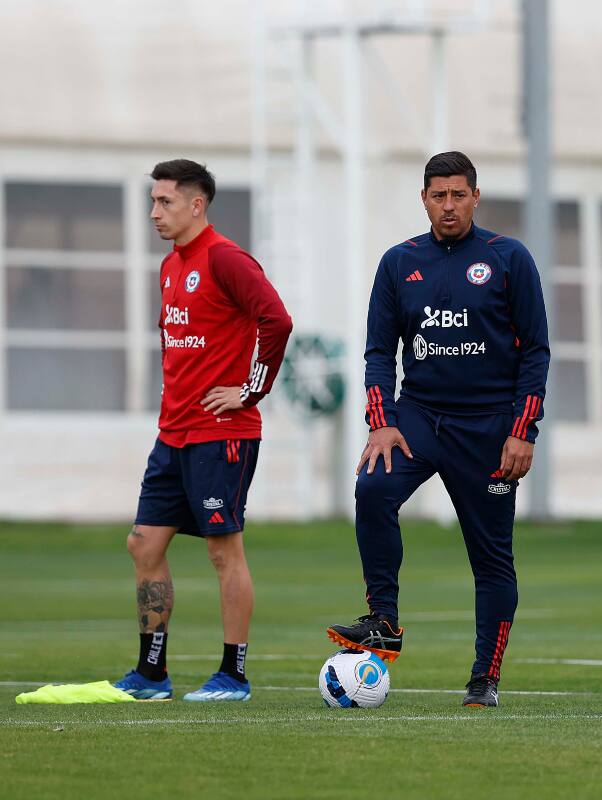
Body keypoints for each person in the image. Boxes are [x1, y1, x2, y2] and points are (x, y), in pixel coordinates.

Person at [327, 151, 550, 708]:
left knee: (491, 557)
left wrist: (523, 430)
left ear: (476, 197)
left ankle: (484, 679)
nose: (448, 206)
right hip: (419, 418)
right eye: (437, 195)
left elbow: (537, 353)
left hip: (491, 430)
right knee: (372, 487)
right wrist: (381, 425)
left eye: (458, 195)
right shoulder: (399, 263)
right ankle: (384, 621)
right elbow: (379, 351)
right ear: (423, 199)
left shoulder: (508, 259)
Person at [115, 159, 293, 701]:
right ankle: (151, 675)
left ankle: (233, 675)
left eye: (164, 201)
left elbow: (277, 320)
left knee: (223, 551)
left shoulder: (226, 259)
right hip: (173, 434)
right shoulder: (170, 267)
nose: (154, 212)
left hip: (223, 433)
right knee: (144, 544)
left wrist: (251, 389)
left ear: (197, 205)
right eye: (152, 201)